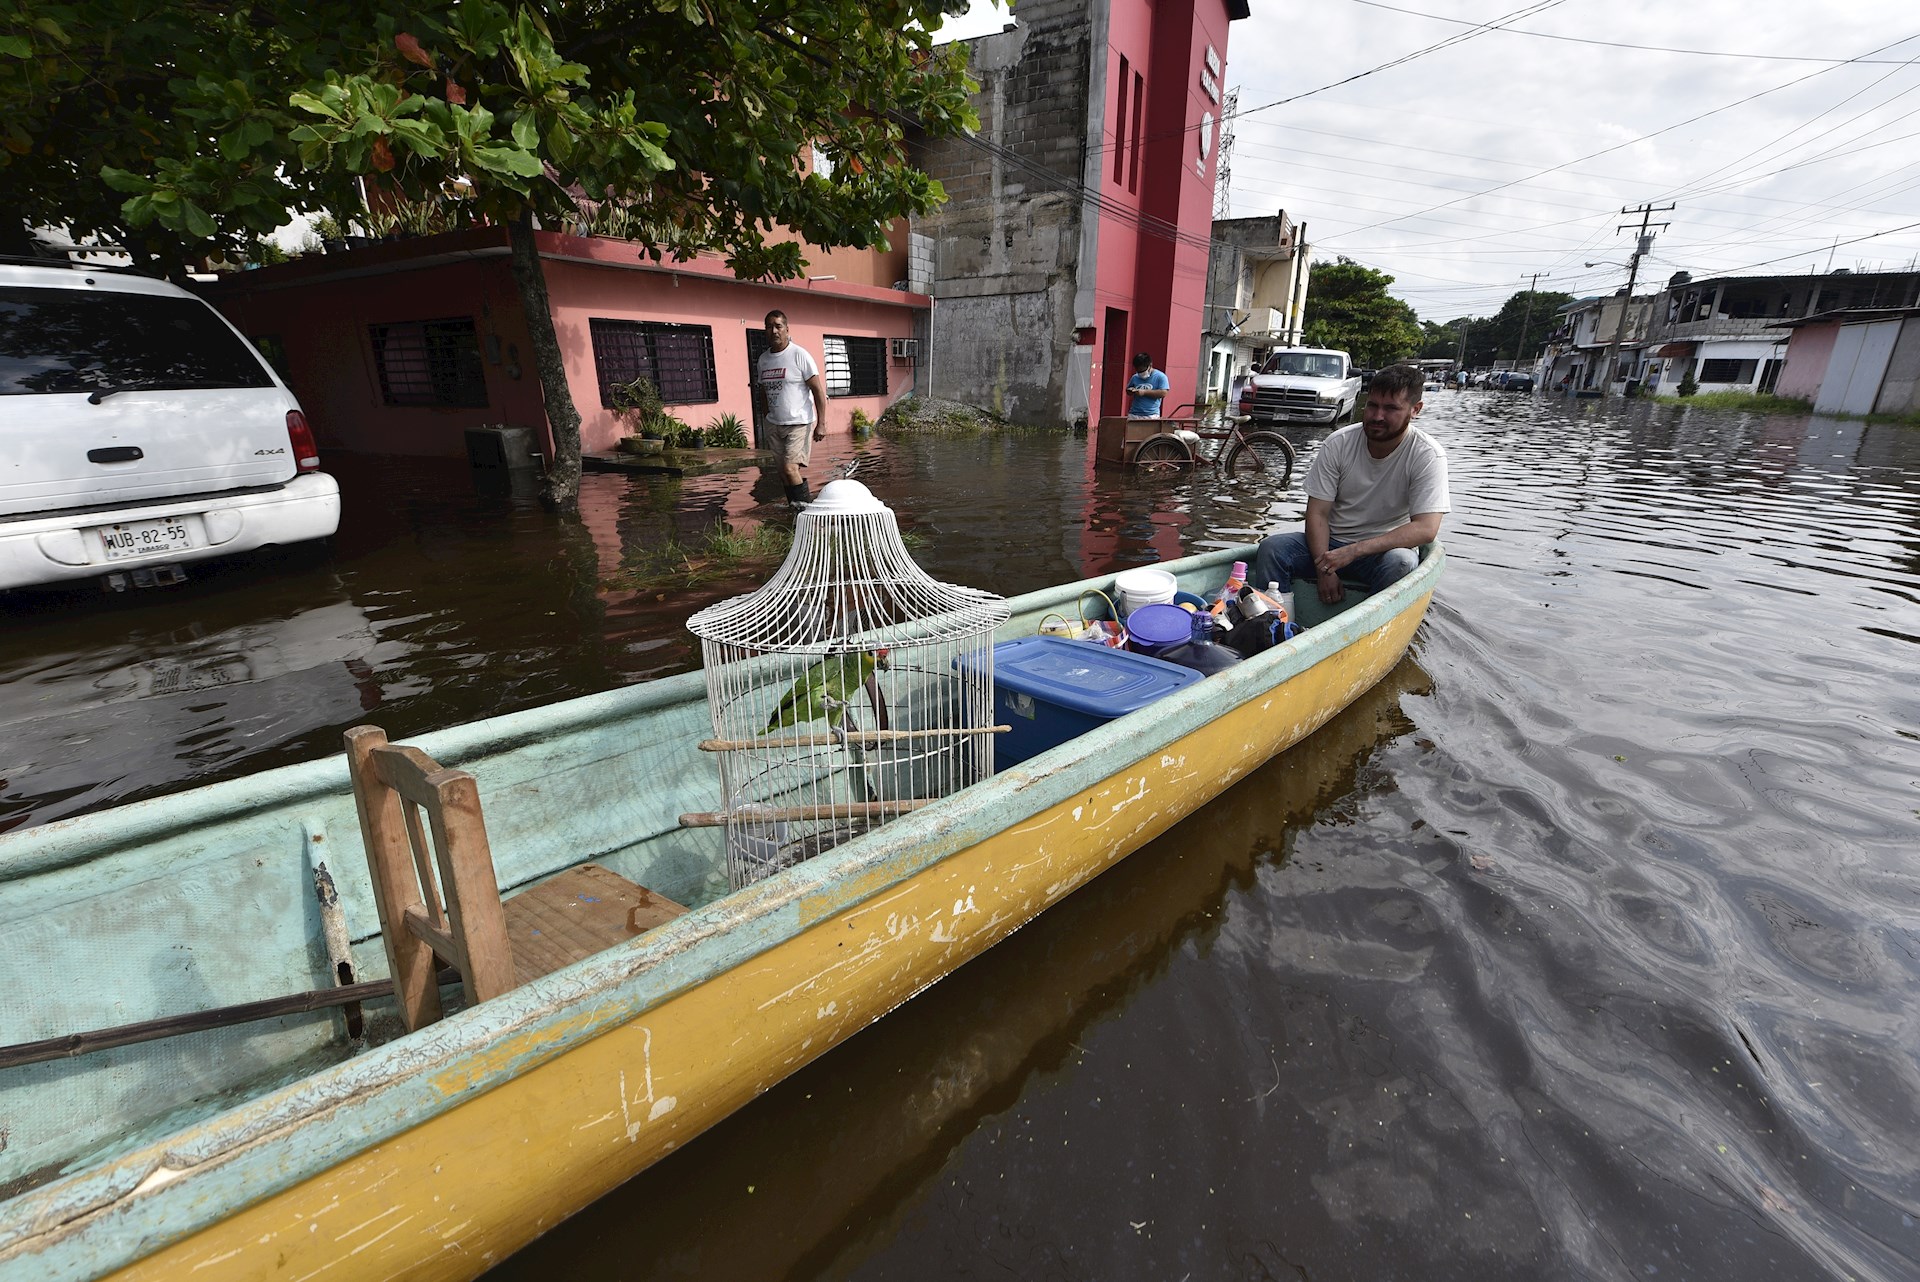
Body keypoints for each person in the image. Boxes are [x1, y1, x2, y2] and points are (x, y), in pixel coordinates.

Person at [1251, 363, 1449, 606]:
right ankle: (1275, 622)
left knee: (1402, 562)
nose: (1377, 416)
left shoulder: (1427, 455)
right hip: (1330, 546)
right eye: (1373, 405)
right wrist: (1325, 568)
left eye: (1391, 409)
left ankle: (1372, 623)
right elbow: (1318, 513)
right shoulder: (1339, 444)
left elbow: (1426, 529)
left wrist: (1354, 551)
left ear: (1415, 410)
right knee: (1273, 548)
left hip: (1381, 552)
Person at [755, 309, 828, 507]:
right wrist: (766, 415)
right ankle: (794, 510)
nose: (774, 331)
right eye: (769, 327)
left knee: (790, 469)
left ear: (787, 329)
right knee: (782, 474)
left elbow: (818, 392)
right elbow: (762, 390)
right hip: (774, 424)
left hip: (798, 423)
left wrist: (821, 423)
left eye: (778, 326)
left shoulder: (799, 355)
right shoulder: (763, 360)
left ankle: (807, 515)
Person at [1125, 352, 1170, 418]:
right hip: (1134, 413)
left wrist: (1144, 392)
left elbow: (1163, 393)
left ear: (1150, 366)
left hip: (1151, 414)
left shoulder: (1160, 376)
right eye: (1138, 371)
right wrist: (1131, 390)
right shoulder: (1135, 377)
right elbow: (1128, 390)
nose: (1140, 373)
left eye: (1142, 371)